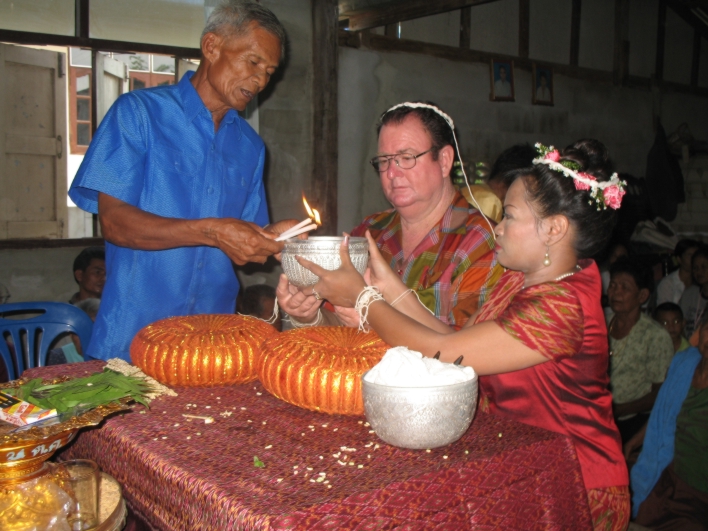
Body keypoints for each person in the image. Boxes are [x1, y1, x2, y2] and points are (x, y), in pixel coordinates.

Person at [301, 139, 630, 530]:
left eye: (508, 216)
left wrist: (363, 297)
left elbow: (445, 353)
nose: (498, 229)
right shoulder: (526, 280)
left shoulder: (561, 307)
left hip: (575, 482)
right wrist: (387, 285)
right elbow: (457, 344)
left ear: (554, 229)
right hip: (530, 466)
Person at [68, 1, 298, 361]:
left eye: (269, 71)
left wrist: (275, 237)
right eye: (253, 62)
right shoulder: (139, 114)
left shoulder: (250, 147)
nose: (261, 80)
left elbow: (244, 245)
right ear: (211, 47)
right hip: (133, 341)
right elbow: (114, 223)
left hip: (212, 345)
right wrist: (211, 231)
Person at [277, 102, 502, 330]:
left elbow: (466, 353)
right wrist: (310, 315)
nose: (392, 173)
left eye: (406, 158)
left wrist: (375, 322)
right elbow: (340, 323)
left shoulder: (482, 240)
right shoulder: (371, 231)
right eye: (384, 161)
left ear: (444, 161)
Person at [626, 313, 708, 529]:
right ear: (700, 331)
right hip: (666, 473)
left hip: (699, 491)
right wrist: (634, 442)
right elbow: (663, 412)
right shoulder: (685, 364)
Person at [606, 257, 674, 443]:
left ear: (642, 296)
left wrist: (619, 409)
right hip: (601, 415)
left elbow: (660, 393)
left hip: (634, 422)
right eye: (613, 285)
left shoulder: (654, 335)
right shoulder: (601, 322)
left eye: (625, 288)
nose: (615, 293)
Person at [656, 239, 700, 306]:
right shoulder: (668, 283)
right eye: (690, 255)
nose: (694, 259)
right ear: (679, 259)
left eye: (696, 256)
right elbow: (665, 311)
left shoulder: (702, 280)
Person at [679, 245, 708, 340]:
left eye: (704, 267)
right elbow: (679, 323)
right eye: (695, 268)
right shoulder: (690, 293)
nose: (699, 272)